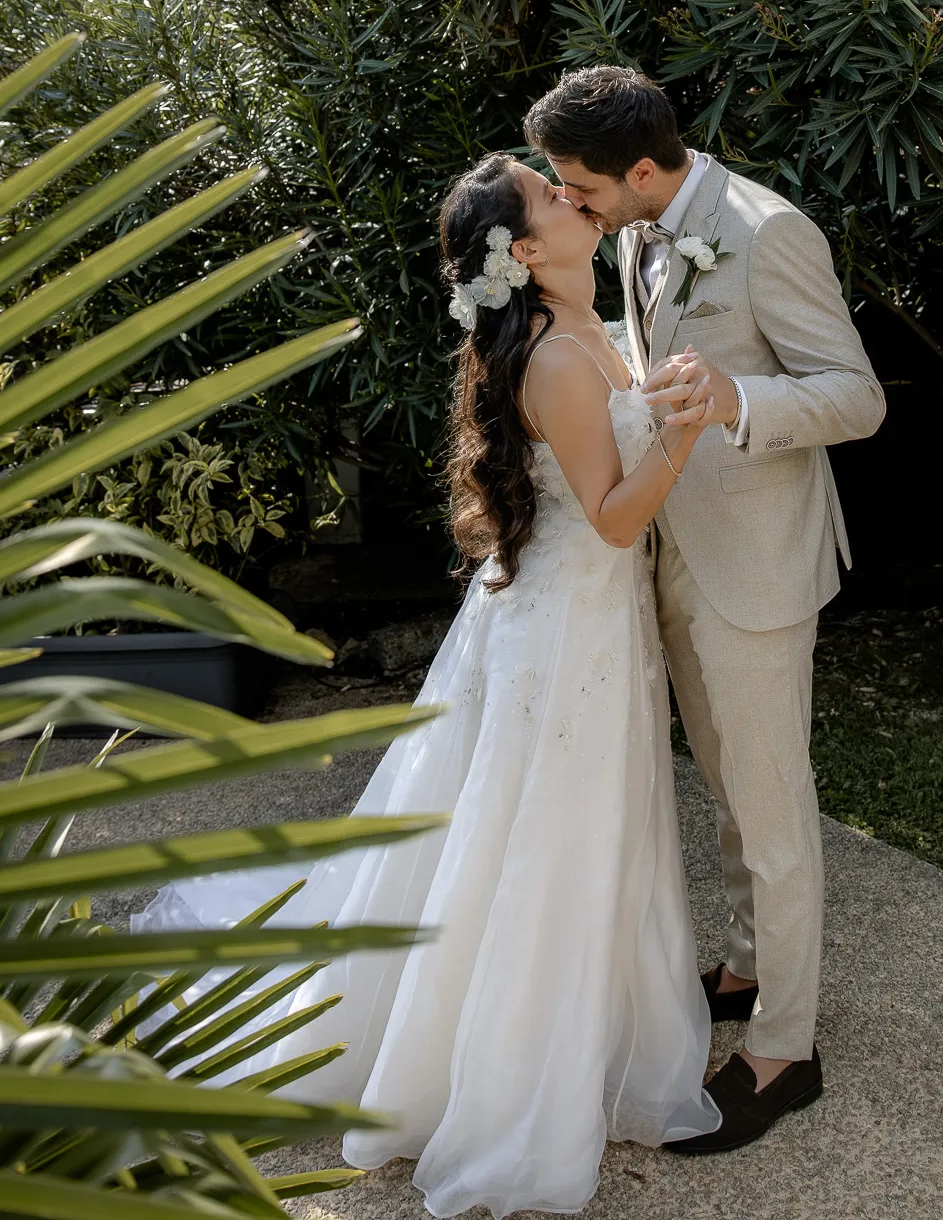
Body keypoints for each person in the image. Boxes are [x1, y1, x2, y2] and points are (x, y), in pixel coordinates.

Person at [133, 150, 722, 1219]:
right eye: (551, 196)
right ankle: (500, 1082)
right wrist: (681, 432)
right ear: (527, 253)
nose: (571, 194)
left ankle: (578, 1034)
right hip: (562, 637)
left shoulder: (587, 325)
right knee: (544, 840)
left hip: (585, 623)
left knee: (568, 834)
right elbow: (616, 515)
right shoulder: (551, 360)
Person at [524, 65, 886, 1153]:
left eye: (579, 188)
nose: (571, 206)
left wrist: (738, 401)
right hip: (674, 552)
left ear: (642, 169)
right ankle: (745, 959)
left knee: (774, 802)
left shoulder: (769, 233)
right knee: (725, 780)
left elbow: (856, 395)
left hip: (759, 566)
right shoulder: (636, 230)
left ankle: (786, 1046)